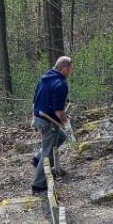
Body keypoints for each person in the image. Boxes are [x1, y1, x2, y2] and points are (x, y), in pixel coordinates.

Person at [30, 56, 73, 193]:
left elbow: (34, 99)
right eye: (70, 69)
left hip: (39, 117)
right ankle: (38, 184)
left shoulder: (44, 78)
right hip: (45, 121)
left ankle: (37, 159)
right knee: (47, 153)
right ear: (65, 68)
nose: (71, 71)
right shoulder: (60, 84)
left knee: (60, 137)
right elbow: (59, 111)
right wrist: (67, 124)